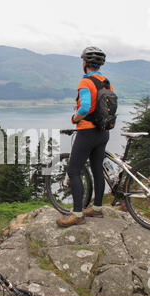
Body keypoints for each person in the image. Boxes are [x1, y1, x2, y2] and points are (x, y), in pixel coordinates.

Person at [57, 46, 114, 227]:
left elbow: (85, 107)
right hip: (103, 132)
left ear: (84, 63)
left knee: (74, 171)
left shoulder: (85, 82)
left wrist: (75, 118)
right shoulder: (106, 82)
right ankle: (96, 208)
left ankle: (77, 214)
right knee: (97, 170)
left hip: (87, 132)